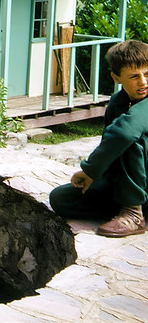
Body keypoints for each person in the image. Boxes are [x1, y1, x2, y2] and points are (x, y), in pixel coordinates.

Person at [49, 40, 148, 237]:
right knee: (61, 198)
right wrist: (97, 177)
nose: (143, 82)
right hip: (128, 184)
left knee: (126, 138)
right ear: (116, 78)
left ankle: (133, 213)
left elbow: (124, 133)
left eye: (147, 74)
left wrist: (90, 171)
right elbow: (109, 148)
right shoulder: (118, 103)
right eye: (134, 76)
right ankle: (128, 207)